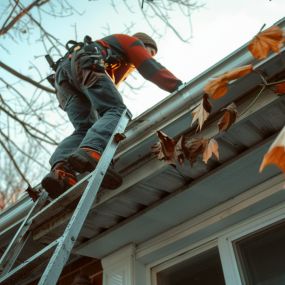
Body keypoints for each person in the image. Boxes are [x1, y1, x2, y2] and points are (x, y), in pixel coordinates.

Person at [41, 32, 183, 198]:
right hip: (84, 64)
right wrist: (177, 86)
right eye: (150, 52)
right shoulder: (131, 41)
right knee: (117, 111)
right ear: (144, 45)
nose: (148, 55)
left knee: (84, 128)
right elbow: (148, 66)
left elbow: (104, 90)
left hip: (63, 82)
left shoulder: (116, 60)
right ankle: (91, 151)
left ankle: (61, 171)